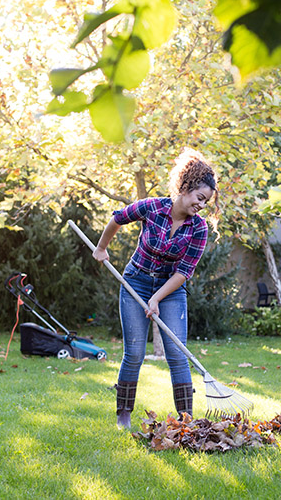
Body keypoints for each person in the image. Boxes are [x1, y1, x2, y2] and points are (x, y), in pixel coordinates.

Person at [92, 148, 220, 428]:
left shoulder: (198, 228)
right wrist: (101, 248)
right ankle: (123, 415)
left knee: (177, 354)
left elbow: (184, 272)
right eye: (200, 198)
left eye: (206, 202)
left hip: (170, 289)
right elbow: (118, 217)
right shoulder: (152, 207)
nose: (202, 205)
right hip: (135, 280)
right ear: (185, 188)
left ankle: (186, 421)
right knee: (135, 352)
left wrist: (157, 298)